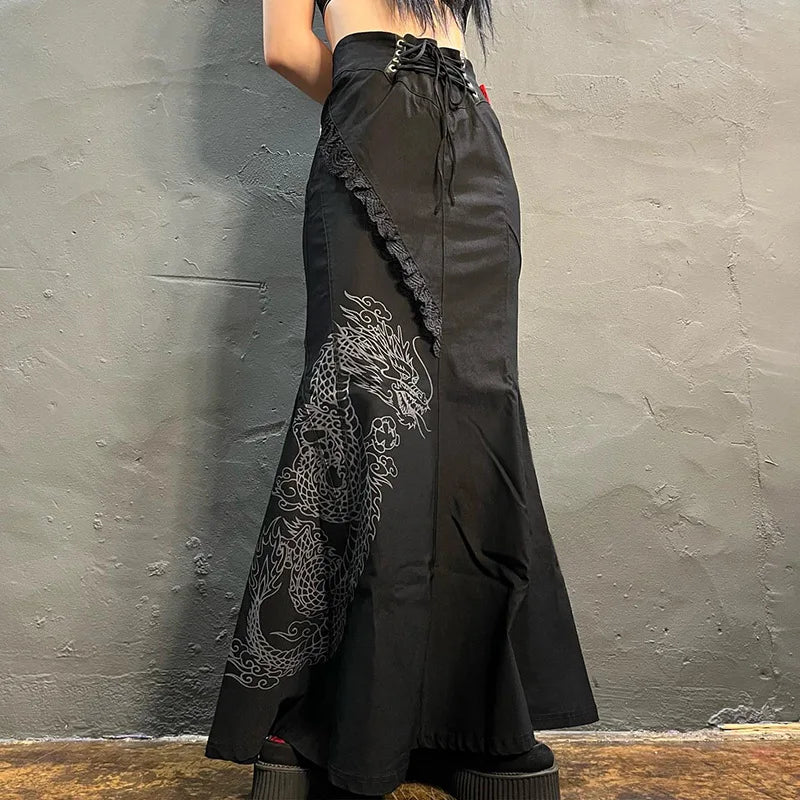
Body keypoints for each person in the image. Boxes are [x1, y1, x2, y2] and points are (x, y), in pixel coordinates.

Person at [204, 0, 600, 798]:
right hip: (373, 132)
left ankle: (471, 722)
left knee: (477, 409)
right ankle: (330, 716)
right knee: (363, 405)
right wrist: (375, 89)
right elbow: (287, 47)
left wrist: (448, 99)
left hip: (473, 141)